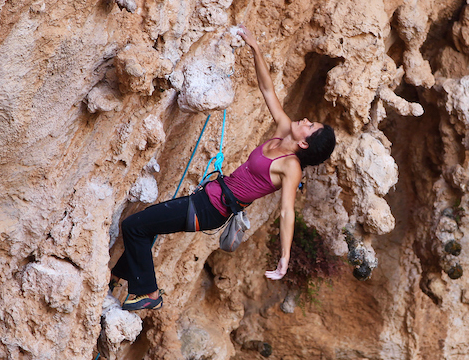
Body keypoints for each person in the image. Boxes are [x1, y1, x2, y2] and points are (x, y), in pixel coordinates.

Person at [111, 27, 336, 311]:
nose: (304, 120)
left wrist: (285, 257)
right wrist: (255, 48)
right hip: (208, 197)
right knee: (147, 225)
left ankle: (149, 293)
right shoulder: (281, 132)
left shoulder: (291, 166)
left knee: (135, 226)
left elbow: (286, 211)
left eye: (310, 126)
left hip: (211, 209)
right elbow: (267, 89)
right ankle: (115, 277)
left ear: (304, 144)